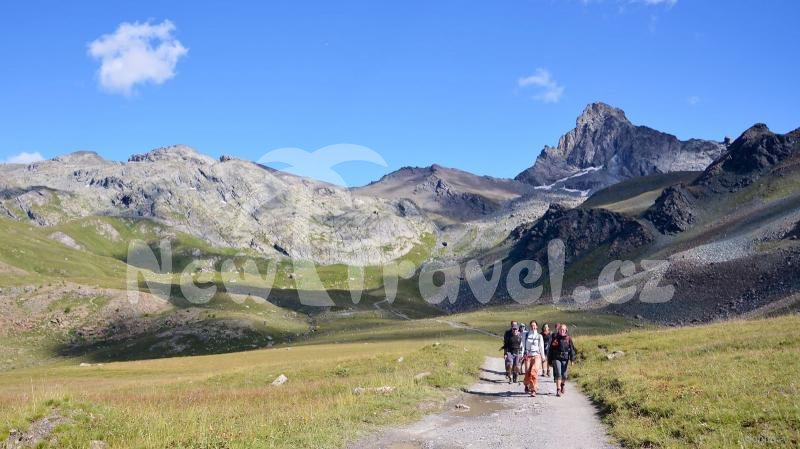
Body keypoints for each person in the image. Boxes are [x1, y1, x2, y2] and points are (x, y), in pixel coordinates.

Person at [549, 324, 576, 397]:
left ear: (566, 330)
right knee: (558, 373)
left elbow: (572, 349)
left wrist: (572, 359)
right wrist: (550, 360)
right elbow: (551, 349)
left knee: (564, 375)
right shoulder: (555, 338)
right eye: (561, 329)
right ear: (558, 330)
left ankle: (562, 385)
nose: (562, 331)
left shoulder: (568, 338)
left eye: (563, 330)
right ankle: (558, 390)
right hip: (556, 358)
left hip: (565, 358)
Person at [522, 320, 545, 397]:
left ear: (537, 326)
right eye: (532, 325)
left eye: (534, 325)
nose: (533, 327)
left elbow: (541, 347)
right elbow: (523, 346)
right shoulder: (526, 335)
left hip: (537, 355)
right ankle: (526, 384)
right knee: (527, 372)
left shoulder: (539, 336)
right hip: (528, 355)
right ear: (530, 326)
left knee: (533, 372)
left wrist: (543, 357)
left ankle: (533, 389)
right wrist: (522, 355)